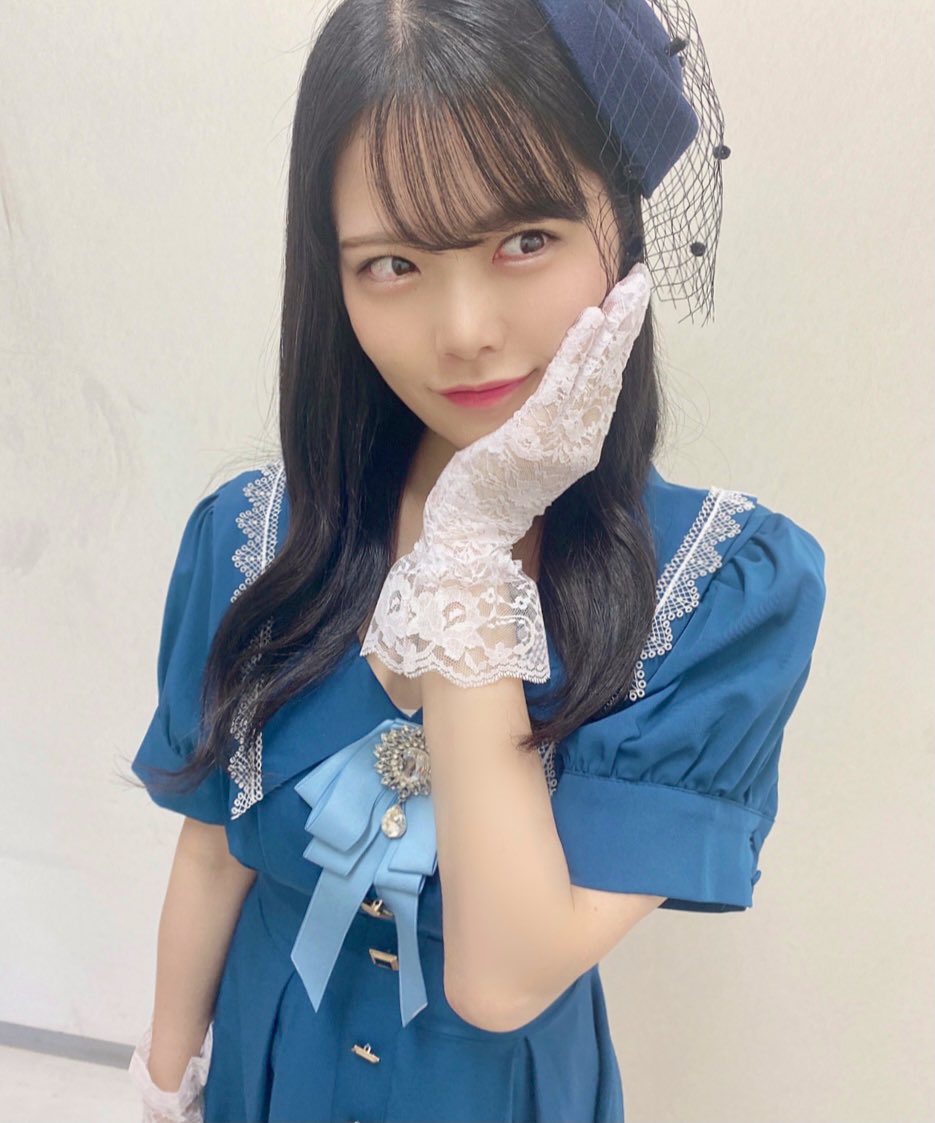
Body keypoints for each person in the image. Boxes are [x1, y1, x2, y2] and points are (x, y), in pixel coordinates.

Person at [125, 2, 827, 1121]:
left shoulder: (717, 590)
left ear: (621, 231)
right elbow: (213, 854)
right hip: (268, 1070)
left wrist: (467, 545)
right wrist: (163, 1088)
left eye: (525, 240)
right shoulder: (252, 537)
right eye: (391, 262)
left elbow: (502, 980)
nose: (463, 330)